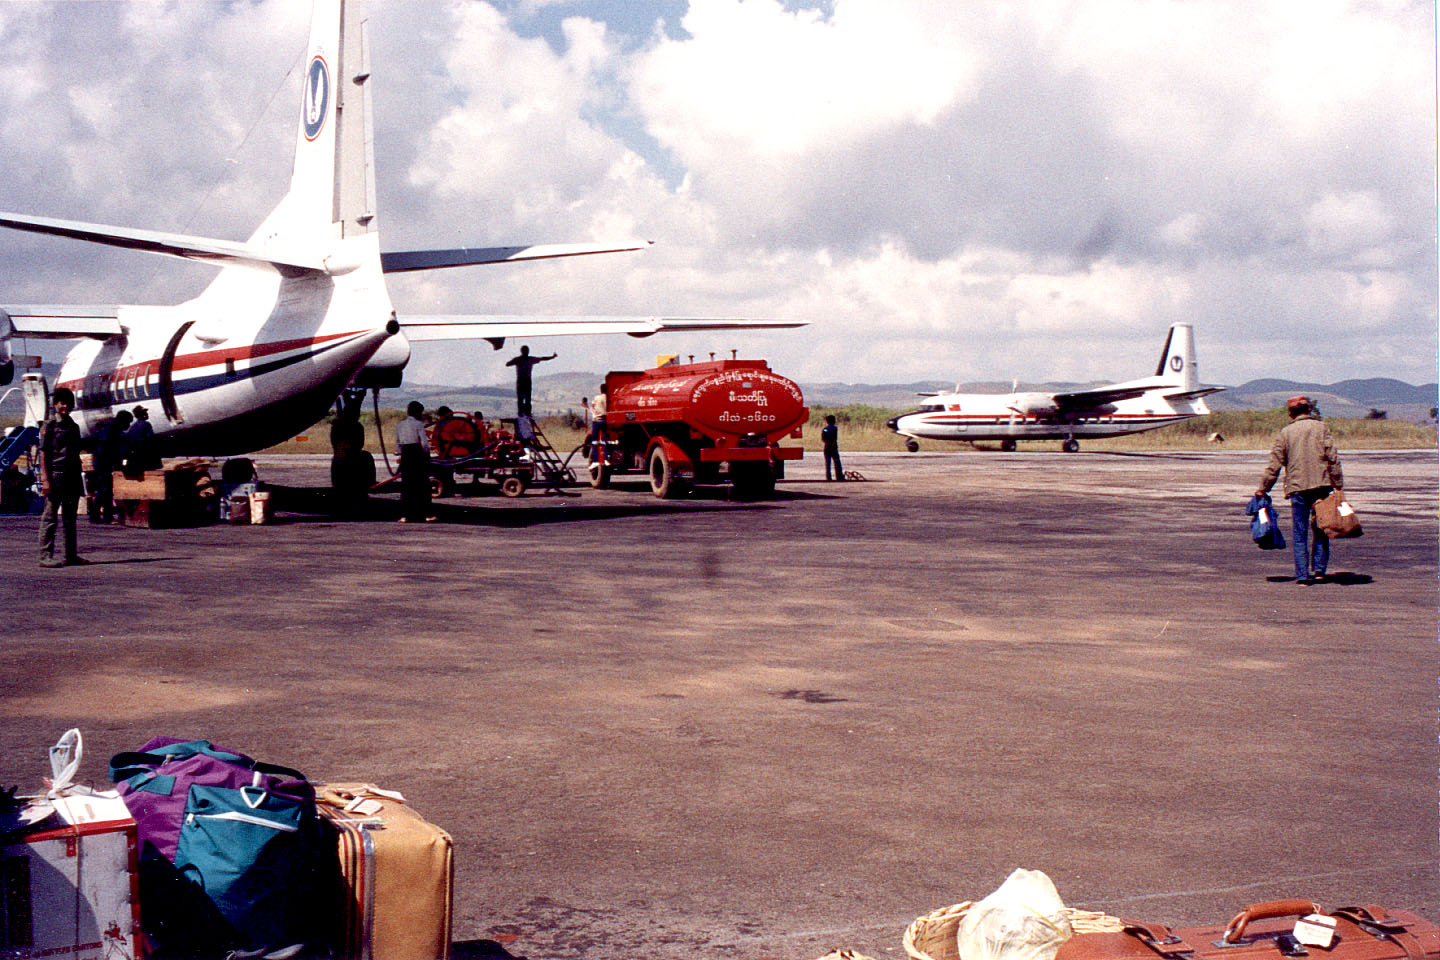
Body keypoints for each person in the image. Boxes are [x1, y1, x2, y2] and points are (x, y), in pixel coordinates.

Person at [1255, 395, 1344, 584]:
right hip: (1321, 487)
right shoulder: (1322, 428)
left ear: (1290, 413)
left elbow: (1274, 465)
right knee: (1321, 529)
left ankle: (1302, 575)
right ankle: (1319, 570)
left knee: (1300, 533)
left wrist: (1263, 488)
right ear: (1309, 410)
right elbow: (1333, 458)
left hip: (1298, 489)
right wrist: (1337, 484)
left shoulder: (1285, 433)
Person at [38, 387, 85, 567]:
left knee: (69, 519)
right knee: (50, 518)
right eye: (62, 403)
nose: (66, 406)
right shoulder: (49, 426)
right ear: (56, 404)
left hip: (71, 476)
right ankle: (45, 556)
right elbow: (43, 454)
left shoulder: (73, 426)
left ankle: (70, 555)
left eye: (68, 403)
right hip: (55, 476)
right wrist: (45, 479)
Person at [395, 401, 435, 523]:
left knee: (406, 486)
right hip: (417, 454)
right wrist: (426, 454)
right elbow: (424, 443)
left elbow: (397, 443)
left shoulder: (400, 425)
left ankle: (405, 515)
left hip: (406, 455)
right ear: (418, 412)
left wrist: (402, 454)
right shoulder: (419, 425)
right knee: (422, 486)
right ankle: (426, 515)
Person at [92, 409, 132, 523]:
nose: (128, 426)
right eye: (127, 423)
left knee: (102, 490)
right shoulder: (113, 431)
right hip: (103, 463)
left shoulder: (111, 429)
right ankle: (107, 516)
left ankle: (95, 516)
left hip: (101, 462)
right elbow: (110, 449)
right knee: (106, 490)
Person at [505, 345, 556, 416]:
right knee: (526, 398)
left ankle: (522, 412)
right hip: (526, 380)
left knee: (522, 398)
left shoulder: (519, 359)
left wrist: (514, 361)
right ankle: (526, 412)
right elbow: (542, 358)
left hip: (521, 380)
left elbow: (507, 364)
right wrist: (552, 357)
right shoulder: (529, 359)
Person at [125, 405, 160, 473]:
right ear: (142, 414)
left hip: (137, 458)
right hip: (146, 458)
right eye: (145, 412)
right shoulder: (146, 424)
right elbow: (150, 440)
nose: (147, 414)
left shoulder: (133, 427)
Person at [821, 414, 844, 481]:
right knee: (837, 463)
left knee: (828, 463)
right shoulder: (835, 428)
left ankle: (828, 477)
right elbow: (835, 438)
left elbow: (823, 438)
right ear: (834, 421)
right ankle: (839, 476)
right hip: (833, 448)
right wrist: (832, 444)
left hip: (827, 448)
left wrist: (827, 444)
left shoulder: (825, 429)